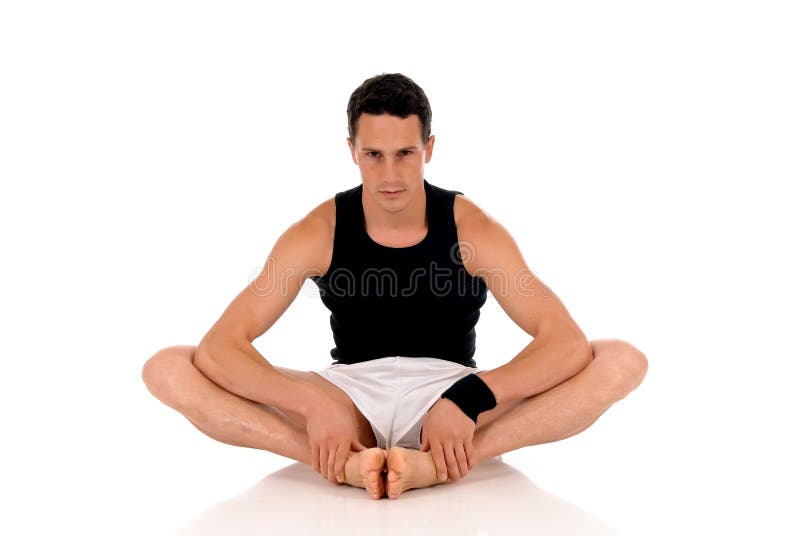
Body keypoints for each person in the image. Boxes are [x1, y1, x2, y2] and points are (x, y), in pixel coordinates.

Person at [141, 73, 649, 500]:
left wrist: (470, 399)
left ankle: (442, 462)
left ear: (429, 147)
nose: (390, 174)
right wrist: (311, 406)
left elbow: (563, 340)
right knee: (168, 367)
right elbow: (219, 347)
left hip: (449, 392)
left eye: (405, 152)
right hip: (348, 394)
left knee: (620, 359)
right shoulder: (317, 231)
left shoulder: (474, 229)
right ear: (352, 151)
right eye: (374, 154)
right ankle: (338, 463)